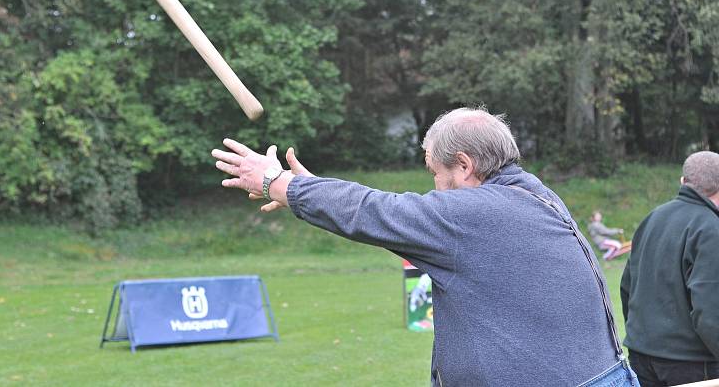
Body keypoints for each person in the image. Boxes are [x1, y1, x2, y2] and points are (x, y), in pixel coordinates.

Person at [212, 107, 639, 386]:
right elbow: (405, 230)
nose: (433, 185)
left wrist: (277, 182)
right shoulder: (533, 195)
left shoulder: (473, 214)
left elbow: (375, 211)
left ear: (466, 165)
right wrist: (311, 191)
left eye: (436, 172)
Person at [620, 151, 719, 386]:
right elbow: (710, 312)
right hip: (692, 365)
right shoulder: (711, 230)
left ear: (683, 182)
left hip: (641, 356)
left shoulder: (652, 218)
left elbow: (627, 287)